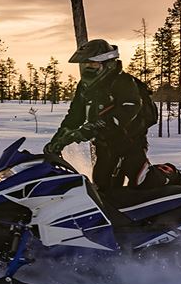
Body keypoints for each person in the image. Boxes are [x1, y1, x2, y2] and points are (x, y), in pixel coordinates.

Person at [43, 39, 166, 193]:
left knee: (142, 181)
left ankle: (175, 181)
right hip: (103, 144)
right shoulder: (85, 86)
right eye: (85, 64)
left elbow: (130, 108)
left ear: (107, 63)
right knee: (102, 187)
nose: (88, 67)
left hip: (129, 142)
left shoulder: (122, 81)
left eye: (93, 64)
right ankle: (119, 215)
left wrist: (93, 127)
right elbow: (75, 116)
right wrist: (58, 141)